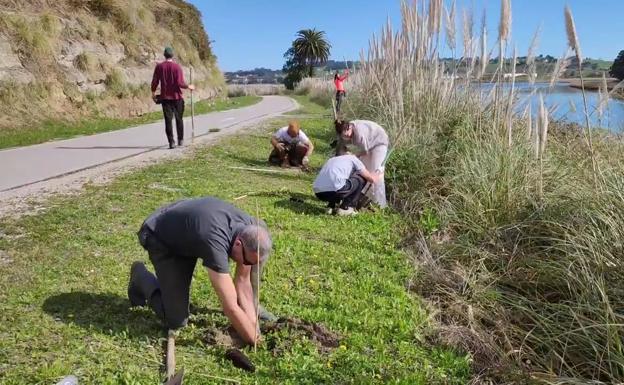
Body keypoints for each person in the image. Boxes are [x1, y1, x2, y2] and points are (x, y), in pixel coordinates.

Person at [127, 196, 274, 345]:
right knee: (175, 319)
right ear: (237, 244)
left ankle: (254, 314)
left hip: (191, 232)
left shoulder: (249, 229)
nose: (248, 265)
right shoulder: (214, 241)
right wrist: (254, 341)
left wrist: (254, 327)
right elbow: (230, 307)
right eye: (248, 261)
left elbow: (243, 282)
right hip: (161, 238)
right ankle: (140, 275)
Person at [335, 119, 389, 208]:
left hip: (379, 143)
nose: (347, 135)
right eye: (344, 135)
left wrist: (353, 156)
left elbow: (365, 151)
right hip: (369, 144)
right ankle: (361, 197)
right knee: (363, 170)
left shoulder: (359, 133)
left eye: (347, 133)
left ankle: (380, 204)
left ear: (349, 127)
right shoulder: (347, 129)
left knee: (376, 173)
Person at [151, 46, 195, 149]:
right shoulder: (177, 67)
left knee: (168, 120)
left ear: (164, 55)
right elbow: (180, 83)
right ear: (172, 55)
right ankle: (180, 140)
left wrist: (153, 92)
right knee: (179, 119)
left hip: (165, 98)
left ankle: (171, 142)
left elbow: (155, 81)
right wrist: (189, 86)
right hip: (177, 98)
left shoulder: (159, 67)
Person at [313, 153, 382, 216]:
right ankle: (345, 208)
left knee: (336, 181)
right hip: (334, 191)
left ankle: (330, 207)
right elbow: (371, 179)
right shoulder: (354, 159)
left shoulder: (333, 159)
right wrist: (378, 175)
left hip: (318, 192)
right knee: (361, 179)